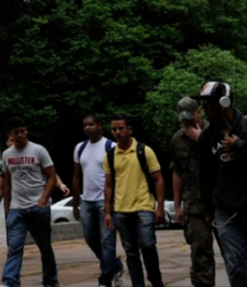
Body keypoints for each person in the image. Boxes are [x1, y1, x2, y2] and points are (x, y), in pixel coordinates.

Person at [0, 117, 58, 287]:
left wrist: (43, 200)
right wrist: (8, 208)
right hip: (17, 209)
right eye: (16, 132)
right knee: (14, 248)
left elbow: (52, 177)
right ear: (10, 134)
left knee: (44, 247)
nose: (20, 135)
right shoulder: (7, 155)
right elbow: (7, 183)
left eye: (22, 131)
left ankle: (50, 281)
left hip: (38, 207)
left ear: (26, 130)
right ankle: (10, 282)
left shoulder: (38, 151)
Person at [194, 81, 247, 287]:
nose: (204, 108)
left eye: (209, 103)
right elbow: (205, 176)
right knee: (236, 266)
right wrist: (209, 210)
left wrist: (240, 146)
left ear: (224, 102)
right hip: (226, 211)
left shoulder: (245, 126)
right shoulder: (207, 137)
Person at [104, 114, 166, 287]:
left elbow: (158, 179)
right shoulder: (110, 155)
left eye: (121, 128)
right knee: (131, 252)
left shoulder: (144, 151)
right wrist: (108, 212)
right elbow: (108, 185)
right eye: (114, 129)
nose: (117, 132)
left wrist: (160, 207)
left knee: (147, 245)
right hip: (121, 210)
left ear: (129, 129)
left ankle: (155, 279)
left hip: (143, 206)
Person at [72, 114, 124, 287]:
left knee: (107, 242)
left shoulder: (111, 146)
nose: (88, 128)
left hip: (105, 201)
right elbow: (77, 176)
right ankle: (116, 266)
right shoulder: (80, 148)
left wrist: (114, 202)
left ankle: (105, 281)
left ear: (99, 126)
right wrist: (75, 203)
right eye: (85, 125)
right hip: (87, 201)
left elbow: (118, 176)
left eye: (91, 124)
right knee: (90, 239)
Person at [171, 97, 216, 287]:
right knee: (199, 252)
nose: (187, 122)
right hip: (195, 204)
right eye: (183, 119)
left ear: (200, 112)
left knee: (234, 251)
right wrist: (177, 206)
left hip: (221, 201)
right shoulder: (178, 139)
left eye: (190, 117)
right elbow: (178, 172)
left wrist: (202, 140)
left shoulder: (216, 132)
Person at [0, 136, 69, 225]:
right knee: (15, 231)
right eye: (11, 140)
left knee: (40, 231)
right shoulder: (6, 159)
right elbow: (0, 186)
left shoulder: (32, 153)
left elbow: (52, 174)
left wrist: (60, 185)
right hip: (16, 205)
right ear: (7, 143)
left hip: (36, 202)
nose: (14, 141)